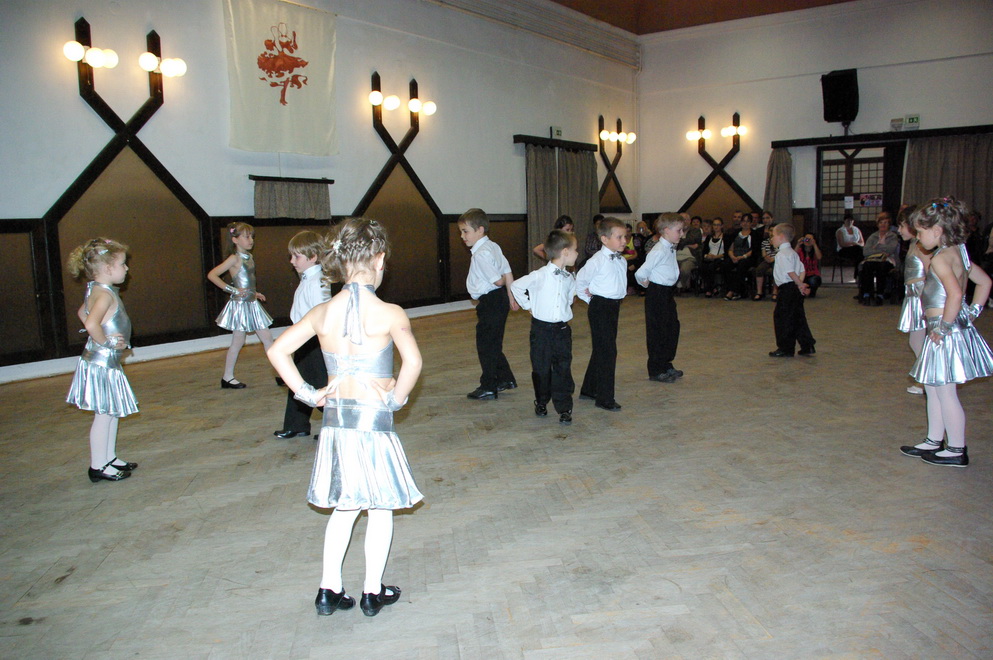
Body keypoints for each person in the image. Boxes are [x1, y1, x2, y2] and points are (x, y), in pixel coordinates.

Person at [267, 217, 423, 617]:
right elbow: (413, 362)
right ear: (380, 260)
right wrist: (396, 399)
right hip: (373, 425)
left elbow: (277, 351)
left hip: (337, 424)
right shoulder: (389, 312)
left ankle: (329, 588)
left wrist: (310, 394)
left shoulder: (323, 311)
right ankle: (372, 591)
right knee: (380, 507)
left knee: (346, 506)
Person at [901, 198, 993, 467]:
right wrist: (972, 312)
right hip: (942, 330)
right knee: (932, 387)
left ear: (937, 231)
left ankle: (956, 448)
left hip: (943, 333)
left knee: (945, 392)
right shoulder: (958, 252)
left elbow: (954, 294)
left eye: (920, 232)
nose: (918, 237)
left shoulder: (941, 258)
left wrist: (945, 327)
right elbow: (984, 282)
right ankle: (934, 439)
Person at [65, 238, 140, 483]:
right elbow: (90, 323)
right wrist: (105, 341)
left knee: (112, 411)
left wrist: (101, 334)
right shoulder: (105, 295)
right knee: (104, 414)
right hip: (102, 363)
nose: (126, 268)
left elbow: (82, 312)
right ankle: (98, 465)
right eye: (122, 264)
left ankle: (109, 457)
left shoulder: (97, 289)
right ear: (108, 269)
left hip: (105, 362)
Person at [511, 229, 579, 425]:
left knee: (563, 368)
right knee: (541, 369)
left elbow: (569, 297)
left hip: (562, 331)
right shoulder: (539, 275)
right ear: (565, 252)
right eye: (575, 250)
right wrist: (529, 306)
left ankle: (564, 407)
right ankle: (541, 401)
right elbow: (516, 286)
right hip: (541, 330)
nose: (577, 254)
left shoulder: (569, 278)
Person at [274, 231, 333, 439]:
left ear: (313, 256)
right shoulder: (309, 278)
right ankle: (297, 423)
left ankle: (336, 427)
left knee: (319, 383)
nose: (292, 261)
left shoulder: (318, 281)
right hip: (304, 339)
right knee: (297, 381)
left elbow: (322, 313)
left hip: (313, 340)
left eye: (296, 256)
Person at [459, 208, 518, 400]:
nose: (462, 236)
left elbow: (499, 280)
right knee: (492, 342)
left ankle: (489, 386)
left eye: (465, 231)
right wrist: (511, 297)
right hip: (498, 300)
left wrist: (504, 287)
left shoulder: (481, 254)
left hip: (491, 301)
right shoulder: (493, 246)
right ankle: (505, 379)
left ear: (480, 230)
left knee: (486, 345)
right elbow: (508, 271)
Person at [207, 222, 274, 388]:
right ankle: (227, 377)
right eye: (246, 237)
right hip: (241, 306)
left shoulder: (249, 257)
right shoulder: (234, 258)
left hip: (251, 303)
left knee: (266, 339)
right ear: (235, 240)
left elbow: (247, 281)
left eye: (252, 236)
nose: (251, 240)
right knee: (241, 342)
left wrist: (254, 293)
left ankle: (280, 373)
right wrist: (233, 290)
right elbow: (212, 275)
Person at [576, 217, 628, 411]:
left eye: (625, 237)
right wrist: (592, 301)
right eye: (619, 237)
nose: (624, 241)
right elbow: (580, 282)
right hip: (600, 307)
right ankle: (605, 398)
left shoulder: (621, 260)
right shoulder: (596, 260)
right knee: (608, 351)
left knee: (602, 349)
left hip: (614, 307)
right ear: (604, 239)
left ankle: (589, 389)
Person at [635, 213, 684, 382]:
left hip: (667, 292)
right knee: (658, 330)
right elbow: (641, 273)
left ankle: (666, 363)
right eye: (679, 230)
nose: (682, 234)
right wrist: (647, 284)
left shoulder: (670, 247)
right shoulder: (658, 250)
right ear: (666, 230)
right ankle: (656, 369)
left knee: (671, 328)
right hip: (657, 292)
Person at [768, 224, 816, 358]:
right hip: (794, 288)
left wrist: (800, 284)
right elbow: (802, 270)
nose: (771, 239)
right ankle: (807, 345)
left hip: (787, 289)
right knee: (798, 317)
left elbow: (790, 272)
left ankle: (786, 348)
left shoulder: (782, 254)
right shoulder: (793, 253)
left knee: (782, 318)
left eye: (773, 236)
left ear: (781, 237)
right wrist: (800, 285)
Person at [896, 209, 929, 395]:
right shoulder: (913, 244)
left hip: (920, 295)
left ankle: (926, 380)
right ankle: (924, 379)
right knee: (916, 341)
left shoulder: (921, 247)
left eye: (902, 226)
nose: (899, 230)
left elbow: (932, 272)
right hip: (913, 295)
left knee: (918, 341)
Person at [859, 211, 901, 305]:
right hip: (872, 259)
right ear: (878, 224)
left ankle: (880, 295)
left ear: (889, 224)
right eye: (881, 222)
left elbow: (890, 249)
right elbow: (866, 252)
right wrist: (882, 249)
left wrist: (875, 247)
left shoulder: (892, 236)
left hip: (887, 261)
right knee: (866, 266)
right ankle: (867, 294)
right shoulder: (873, 236)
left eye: (885, 222)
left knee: (881, 267)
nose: (883, 225)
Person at [724, 214, 756, 300]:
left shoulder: (754, 234)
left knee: (741, 266)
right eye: (743, 221)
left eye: (747, 221)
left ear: (751, 223)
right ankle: (730, 288)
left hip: (747, 257)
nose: (745, 223)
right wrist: (732, 257)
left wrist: (742, 257)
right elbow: (730, 248)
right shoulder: (735, 233)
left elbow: (754, 250)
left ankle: (733, 291)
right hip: (735, 256)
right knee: (726, 265)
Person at [700, 217, 727, 297]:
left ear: (722, 226)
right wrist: (707, 256)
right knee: (702, 266)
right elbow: (704, 251)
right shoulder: (709, 237)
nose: (716, 227)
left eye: (718, 225)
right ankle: (713, 287)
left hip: (720, 258)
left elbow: (727, 252)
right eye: (714, 225)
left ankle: (709, 289)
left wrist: (716, 256)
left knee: (711, 267)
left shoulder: (725, 237)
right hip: (710, 258)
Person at [797, 233, 823, 298]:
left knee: (813, 280)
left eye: (810, 239)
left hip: (812, 274)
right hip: (801, 274)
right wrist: (798, 244)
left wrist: (814, 245)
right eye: (806, 239)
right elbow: (792, 256)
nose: (807, 241)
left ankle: (812, 291)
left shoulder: (815, 250)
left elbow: (819, 257)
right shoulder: (800, 250)